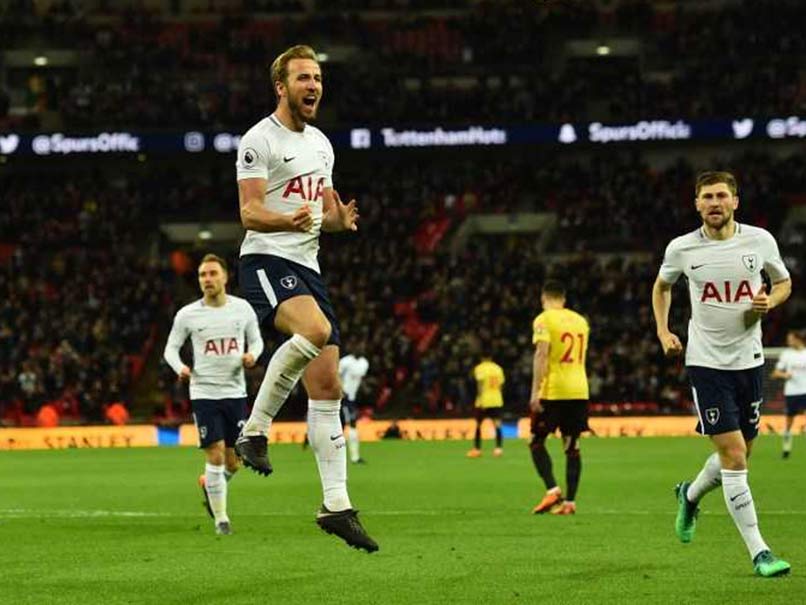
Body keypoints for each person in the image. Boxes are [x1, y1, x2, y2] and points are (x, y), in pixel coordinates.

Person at [233, 44, 378, 552]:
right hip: (266, 259)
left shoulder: (321, 144)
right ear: (281, 86)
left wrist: (338, 220)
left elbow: (323, 212)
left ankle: (336, 505)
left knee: (328, 387)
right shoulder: (259, 140)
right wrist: (286, 221)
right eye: (303, 78)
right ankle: (254, 430)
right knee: (315, 331)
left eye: (317, 77)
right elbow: (250, 213)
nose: (313, 85)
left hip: (308, 266)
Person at [652, 171, 792, 577]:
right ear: (697, 204)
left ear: (735, 201)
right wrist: (663, 330)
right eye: (707, 197)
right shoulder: (682, 248)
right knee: (733, 455)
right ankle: (760, 552)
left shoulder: (760, 241)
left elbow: (783, 282)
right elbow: (662, 287)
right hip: (706, 363)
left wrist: (770, 301)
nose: (714, 203)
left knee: (741, 453)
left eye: (721, 196)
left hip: (750, 361)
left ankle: (690, 496)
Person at [163, 254, 263, 535]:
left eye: (212, 273)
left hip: (235, 392)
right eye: (202, 275)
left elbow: (257, 341)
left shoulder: (242, 309)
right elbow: (170, 349)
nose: (207, 279)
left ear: (225, 277)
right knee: (215, 455)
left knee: (234, 462)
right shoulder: (187, 315)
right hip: (204, 393)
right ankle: (221, 520)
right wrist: (180, 367)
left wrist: (252, 355)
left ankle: (211, 485)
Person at [528, 280, 590, 516]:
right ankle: (570, 503)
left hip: (554, 390)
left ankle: (553, 490)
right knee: (572, 447)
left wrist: (535, 391)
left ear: (543, 298)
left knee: (536, 441)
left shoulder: (543, 319)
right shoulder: (581, 321)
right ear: (563, 299)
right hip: (579, 390)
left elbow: (542, 354)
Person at [771, 329, 806, 459]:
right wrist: (785, 375)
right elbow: (775, 373)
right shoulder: (786, 354)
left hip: (805, 390)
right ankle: (786, 448)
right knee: (789, 420)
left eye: (791, 339)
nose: (788, 341)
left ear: (798, 339)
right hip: (792, 392)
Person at [466, 354, 505, 458]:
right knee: (497, 424)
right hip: (497, 400)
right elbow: (501, 385)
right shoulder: (498, 368)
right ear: (491, 358)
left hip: (484, 400)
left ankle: (477, 449)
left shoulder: (480, 368)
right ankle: (498, 449)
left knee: (479, 425)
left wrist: (480, 398)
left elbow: (480, 384)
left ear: (482, 358)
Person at [339, 347, 369, 464]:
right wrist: (341, 390)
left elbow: (359, 379)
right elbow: (336, 376)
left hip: (352, 398)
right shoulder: (345, 362)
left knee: (345, 425)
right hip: (342, 398)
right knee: (349, 424)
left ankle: (354, 457)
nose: (360, 349)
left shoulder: (364, 363)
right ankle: (354, 457)